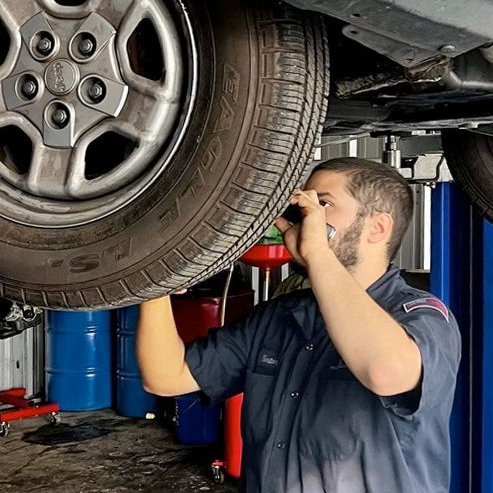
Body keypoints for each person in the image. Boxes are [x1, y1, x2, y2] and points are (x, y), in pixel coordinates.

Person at [136, 157, 461, 493]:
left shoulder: (421, 315)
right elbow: (165, 376)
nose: (309, 217)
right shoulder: (280, 316)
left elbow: (385, 370)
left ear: (378, 228)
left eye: (323, 204)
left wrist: (318, 252)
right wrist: (155, 282)